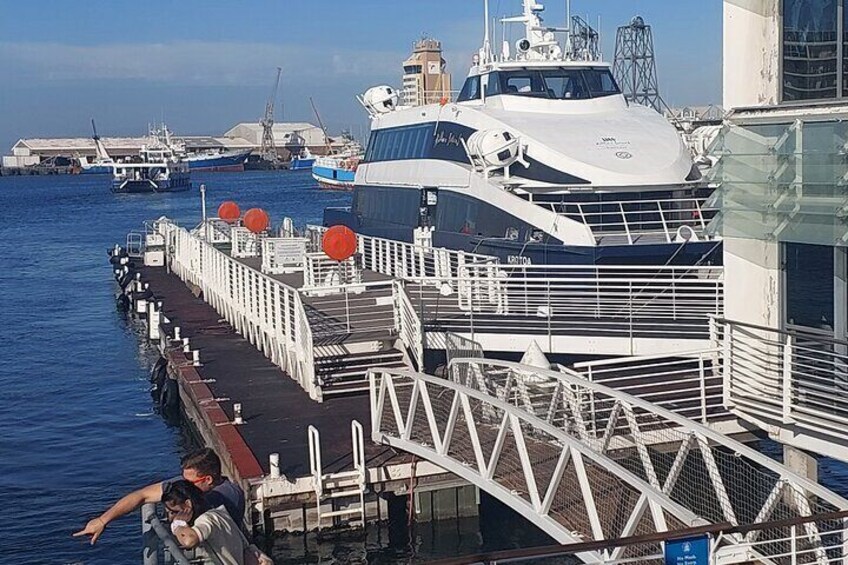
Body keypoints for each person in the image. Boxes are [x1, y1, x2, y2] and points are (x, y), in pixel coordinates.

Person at [74, 447, 245, 545]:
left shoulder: (226, 496)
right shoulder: (188, 488)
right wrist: (103, 520)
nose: (182, 485)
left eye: (189, 482)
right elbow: (141, 495)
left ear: (208, 479)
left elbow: (191, 537)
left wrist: (177, 521)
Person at [164, 480, 247, 565]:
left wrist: (177, 524)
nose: (170, 518)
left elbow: (189, 541)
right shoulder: (218, 513)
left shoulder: (206, 519)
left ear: (188, 504)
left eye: (173, 512)